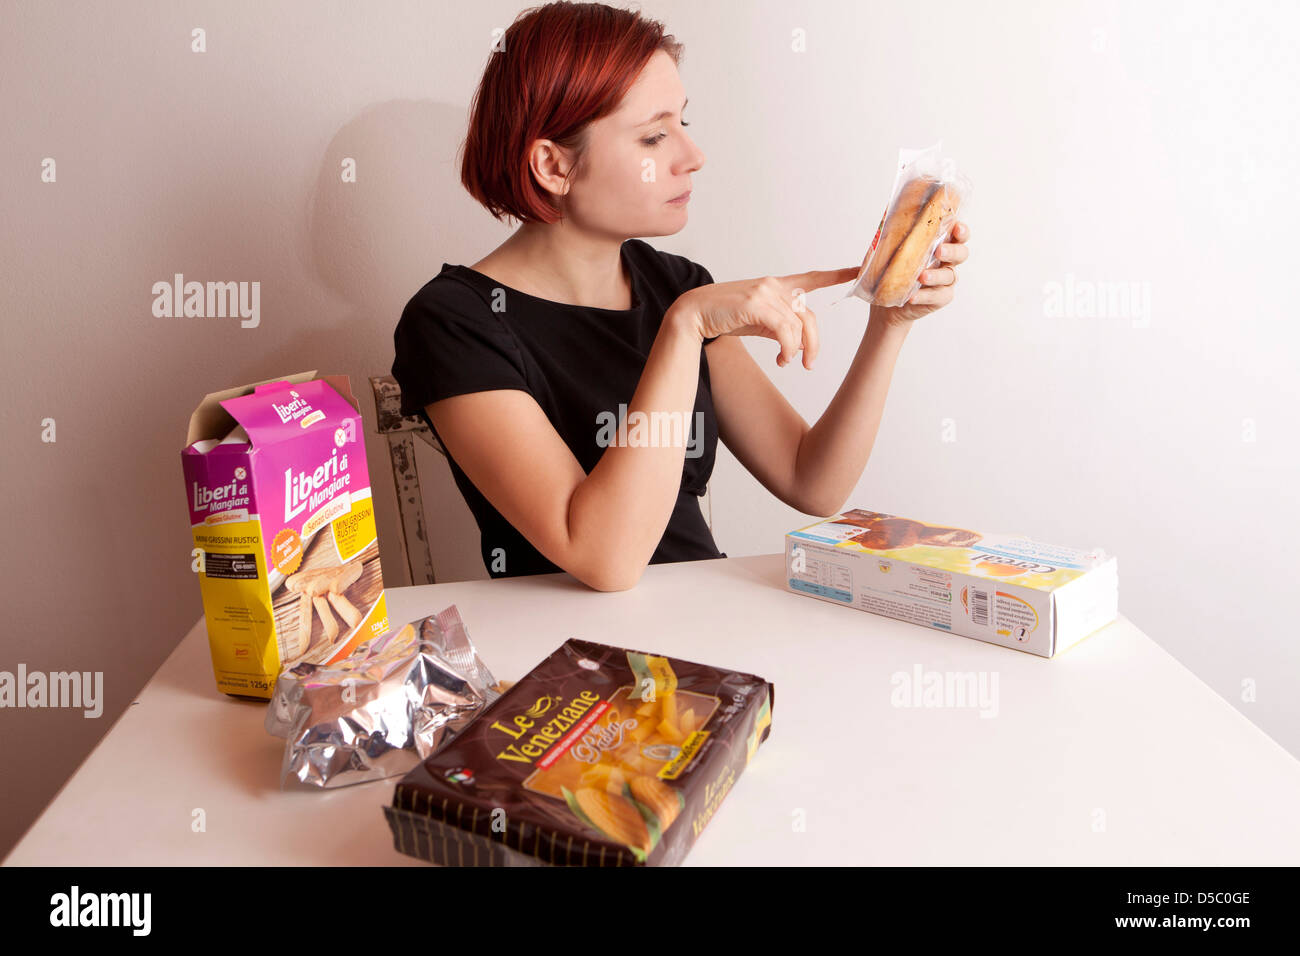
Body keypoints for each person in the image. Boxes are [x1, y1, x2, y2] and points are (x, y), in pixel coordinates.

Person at [391, 1, 970, 591]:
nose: (693, 157)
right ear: (553, 165)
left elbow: (811, 481)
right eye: (653, 136)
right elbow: (604, 559)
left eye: (683, 125)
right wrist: (684, 326)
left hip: (705, 620)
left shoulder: (675, 284)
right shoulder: (453, 321)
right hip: (570, 658)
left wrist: (889, 324)